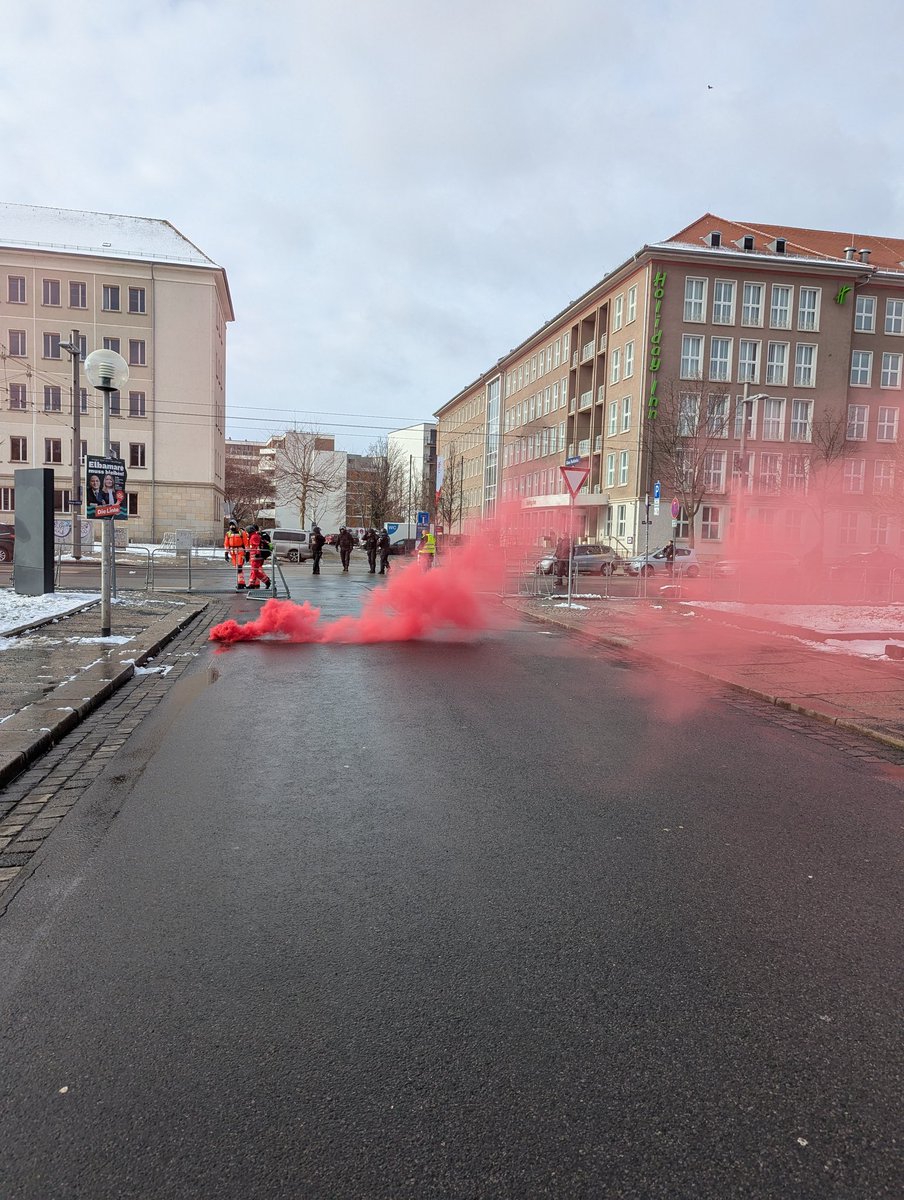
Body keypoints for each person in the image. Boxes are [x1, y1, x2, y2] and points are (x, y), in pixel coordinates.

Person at [224, 520, 249, 589]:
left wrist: (247, 553)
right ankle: (241, 582)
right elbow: (226, 544)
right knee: (237, 568)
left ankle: (240, 583)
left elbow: (246, 543)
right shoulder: (228, 534)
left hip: (240, 552)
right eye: (230, 525)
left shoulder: (242, 533)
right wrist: (226, 553)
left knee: (239, 567)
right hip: (233, 553)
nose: (232, 527)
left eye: (233, 525)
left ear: (236, 525)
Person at [245, 524, 271, 590]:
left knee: (255, 571)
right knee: (254, 571)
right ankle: (252, 584)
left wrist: (257, 553)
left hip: (256, 557)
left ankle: (266, 581)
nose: (246, 533)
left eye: (247, 532)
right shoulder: (253, 536)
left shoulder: (254, 537)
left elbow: (257, 546)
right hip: (254, 557)